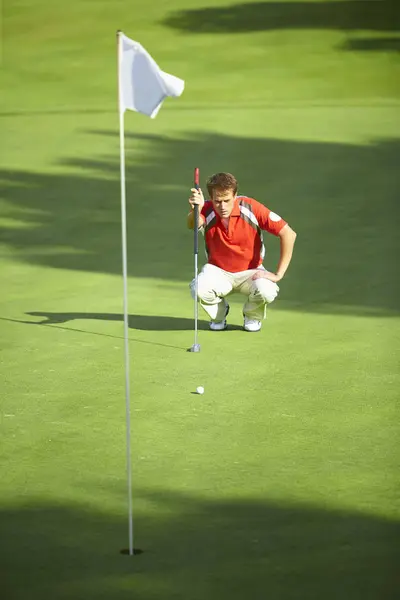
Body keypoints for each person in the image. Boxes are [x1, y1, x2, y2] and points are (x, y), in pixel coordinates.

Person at [187, 172, 297, 332]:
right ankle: (219, 315)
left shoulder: (251, 207)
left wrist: (278, 274)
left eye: (227, 201)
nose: (222, 207)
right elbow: (193, 225)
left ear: (235, 196)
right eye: (217, 201)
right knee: (198, 289)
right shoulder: (206, 208)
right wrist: (194, 210)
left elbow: (288, 233)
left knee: (267, 290)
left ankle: (252, 315)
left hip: (251, 272)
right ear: (211, 198)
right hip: (218, 271)